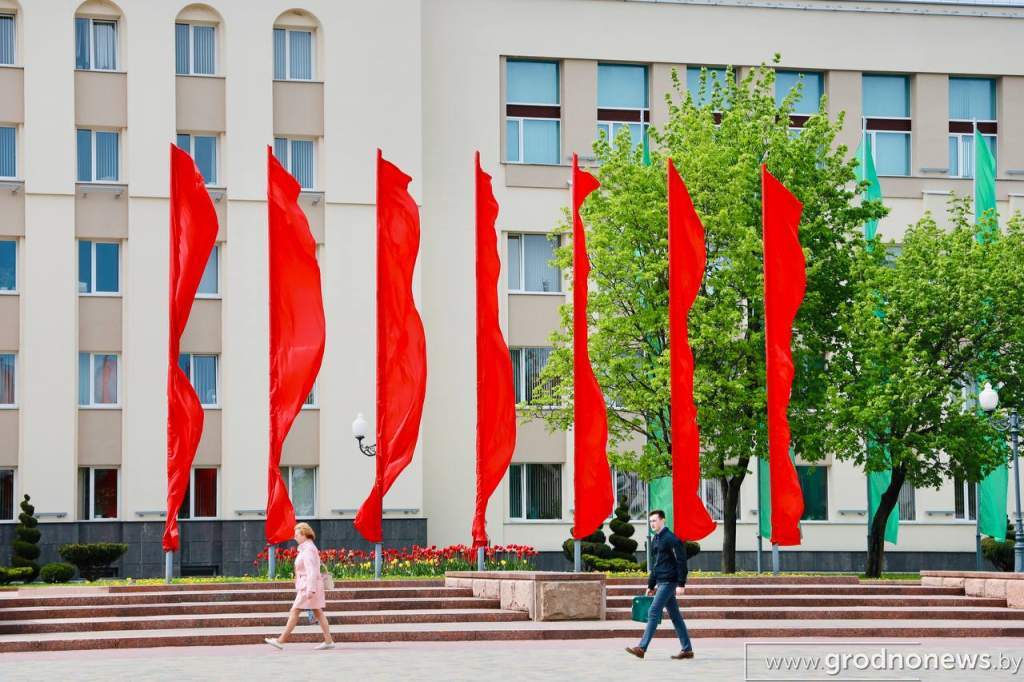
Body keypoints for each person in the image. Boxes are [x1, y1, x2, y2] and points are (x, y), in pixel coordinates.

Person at [625, 509, 694, 660]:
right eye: (650, 521)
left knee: (653, 611)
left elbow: (682, 561)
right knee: (675, 617)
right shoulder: (656, 539)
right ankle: (687, 649)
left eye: (655, 520)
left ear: (663, 521)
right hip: (662, 580)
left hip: (670, 582)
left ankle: (642, 648)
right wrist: (651, 585)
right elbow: (657, 565)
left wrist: (681, 583)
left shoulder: (671, 539)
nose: (652, 524)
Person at [264, 522, 335, 650]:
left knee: (295, 611)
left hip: (308, 586)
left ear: (304, 534)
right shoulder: (307, 548)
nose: (294, 537)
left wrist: (310, 589)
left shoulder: (308, 549)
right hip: (308, 585)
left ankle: (281, 640)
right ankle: (328, 640)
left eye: (296, 534)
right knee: (318, 612)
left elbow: (311, 571)